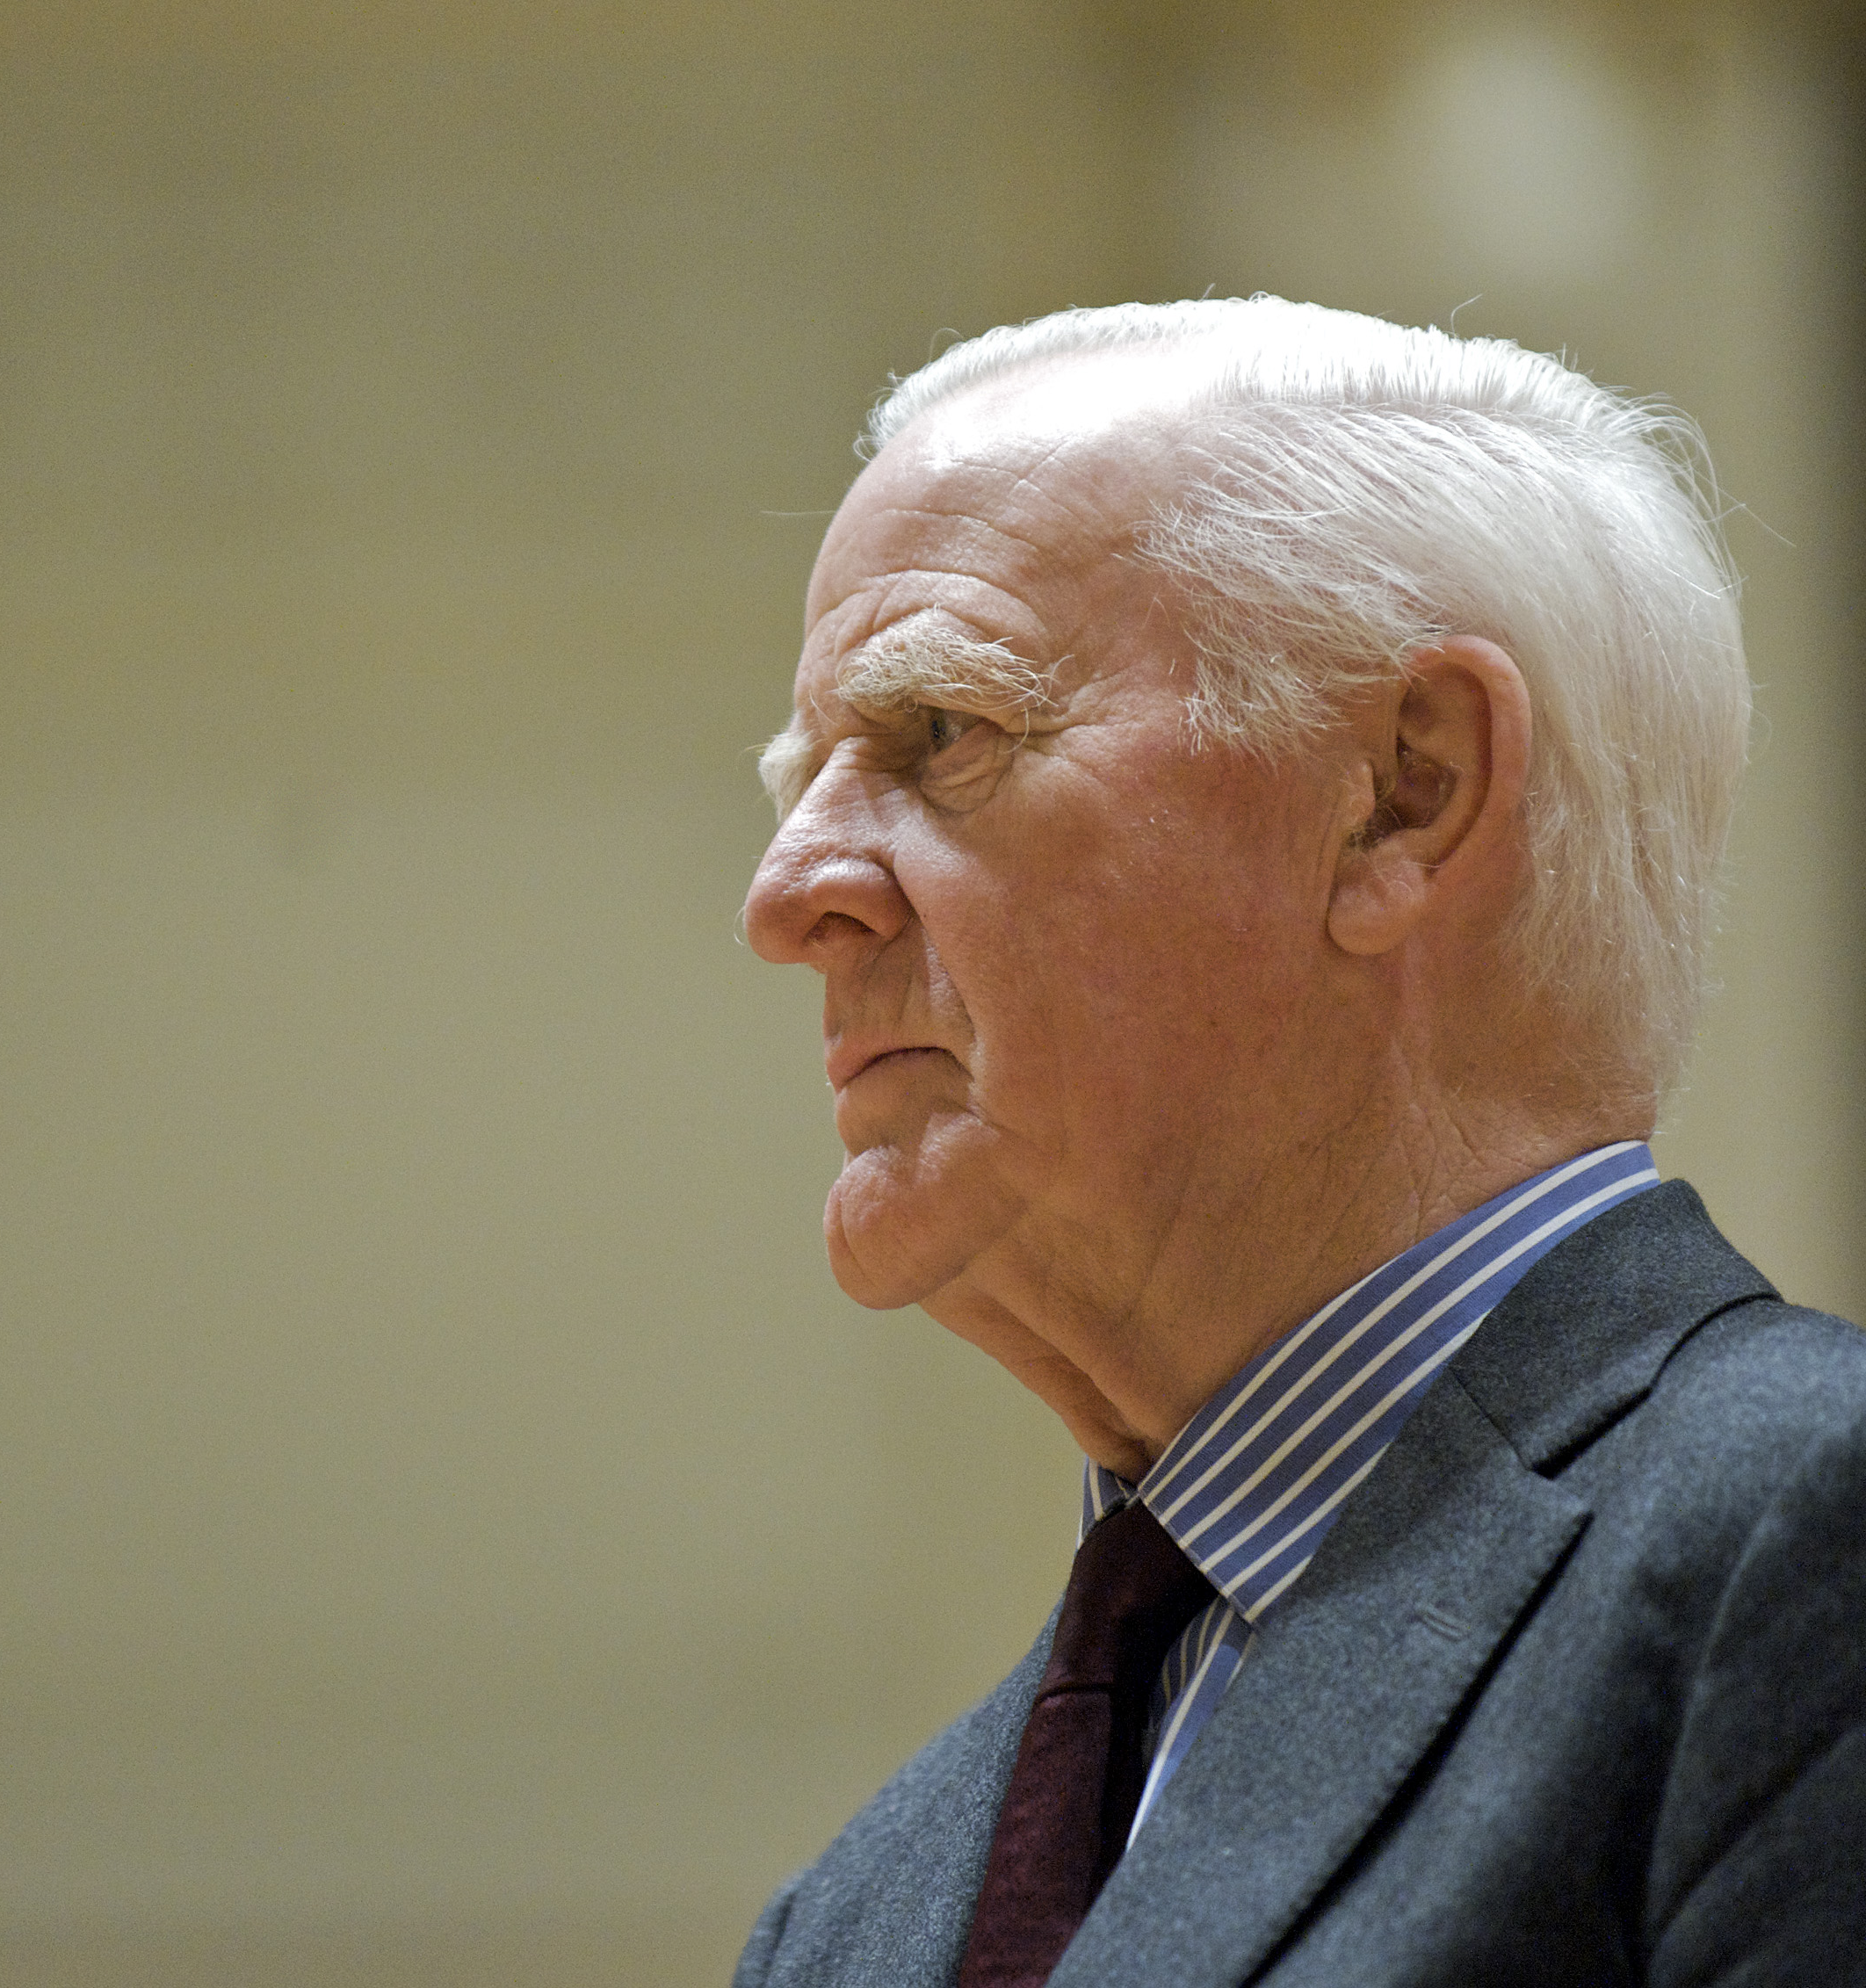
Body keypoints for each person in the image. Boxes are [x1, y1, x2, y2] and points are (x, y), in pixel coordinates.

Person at [731, 298, 1866, 1987]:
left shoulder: (1802, 1551)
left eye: (939, 736)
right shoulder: (852, 1923)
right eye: (799, 781)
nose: (786, 897)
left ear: (1403, 794)